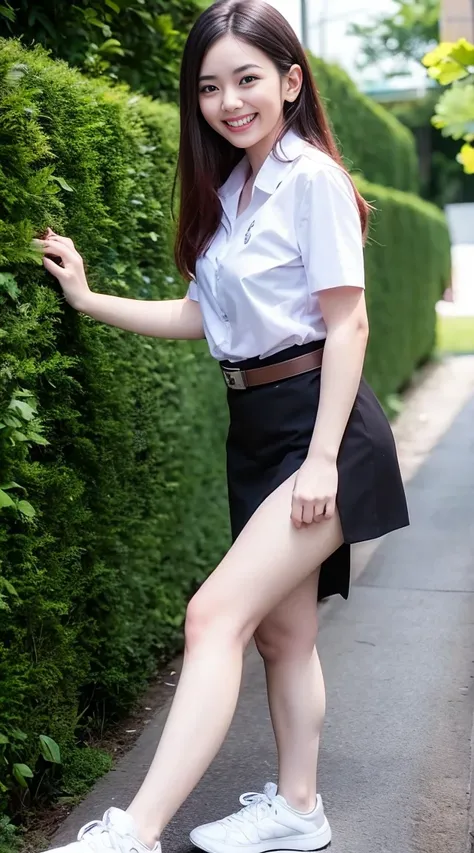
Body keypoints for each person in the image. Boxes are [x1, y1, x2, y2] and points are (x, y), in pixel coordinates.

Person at [37, 1, 409, 851]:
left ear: (289, 80)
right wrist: (89, 299)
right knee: (284, 633)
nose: (229, 101)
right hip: (256, 424)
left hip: (324, 428)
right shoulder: (234, 188)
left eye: (248, 79)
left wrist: (320, 462)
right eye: (209, 87)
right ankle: (300, 810)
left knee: (212, 618)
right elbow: (205, 317)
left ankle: (132, 831)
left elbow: (347, 325)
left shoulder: (310, 177)